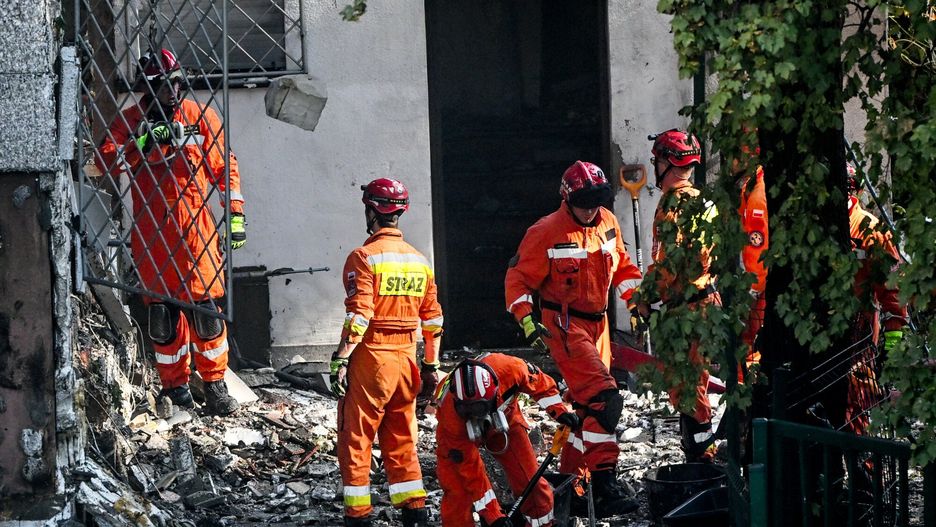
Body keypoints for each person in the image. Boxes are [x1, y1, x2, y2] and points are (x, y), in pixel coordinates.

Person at [95, 48, 244, 416]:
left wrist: (236, 213)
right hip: (152, 235)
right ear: (150, 88)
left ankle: (215, 385)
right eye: (165, 85)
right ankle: (175, 388)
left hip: (197, 233)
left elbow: (225, 167)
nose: (173, 92)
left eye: (177, 83)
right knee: (163, 319)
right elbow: (101, 163)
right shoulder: (130, 121)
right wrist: (143, 141)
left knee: (207, 313)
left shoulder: (200, 117)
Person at [504, 161, 641, 518]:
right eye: (584, 203)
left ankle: (570, 483)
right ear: (567, 199)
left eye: (597, 202)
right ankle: (604, 482)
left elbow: (623, 265)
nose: (591, 209)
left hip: (600, 327)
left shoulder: (607, 221)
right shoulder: (546, 231)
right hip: (564, 325)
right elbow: (518, 279)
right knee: (604, 400)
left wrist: (636, 303)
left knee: (583, 409)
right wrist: (527, 320)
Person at [330, 178, 443, 527]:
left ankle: (359, 516)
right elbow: (434, 320)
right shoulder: (420, 262)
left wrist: (342, 356)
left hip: (372, 360)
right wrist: (430, 366)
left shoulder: (363, 257)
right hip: (407, 360)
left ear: (371, 211)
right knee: (402, 439)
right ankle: (415, 513)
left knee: (357, 439)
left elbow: (360, 315)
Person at [644, 129, 720, 462]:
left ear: (666, 163)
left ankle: (702, 460)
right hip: (707, 303)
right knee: (696, 384)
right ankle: (703, 452)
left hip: (686, 311)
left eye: (656, 160)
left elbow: (666, 266)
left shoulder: (671, 206)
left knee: (686, 390)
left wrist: (644, 299)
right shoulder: (704, 200)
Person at [435, 353, 578, 527]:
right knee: (457, 492)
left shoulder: (511, 369)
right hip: (459, 437)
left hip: (506, 421)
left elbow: (541, 384)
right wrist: (494, 516)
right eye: (467, 409)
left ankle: (542, 524)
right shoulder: (451, 419)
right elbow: (472, 472)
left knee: (529, 481)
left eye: (478, 407)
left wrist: (559, 411)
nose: (474, 414)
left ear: (495, 391)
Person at [829, 164, 907, 434]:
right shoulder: (867, 228)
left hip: (858, 329)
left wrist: (892, 342)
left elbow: (892, 290)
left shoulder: (871, 231)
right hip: (826, 327)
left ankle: (861, 464)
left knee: (856, 399)